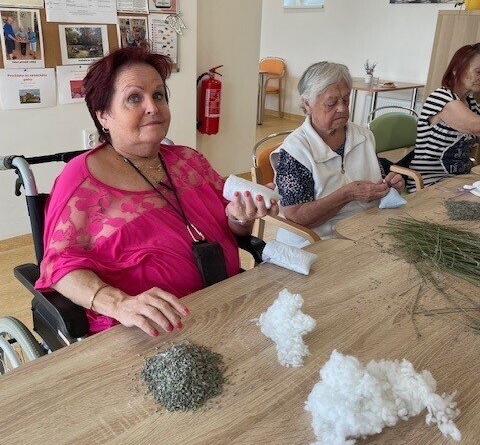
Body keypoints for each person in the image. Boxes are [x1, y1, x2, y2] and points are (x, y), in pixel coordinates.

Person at [35, 46, 278, 336]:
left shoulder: (189, 160)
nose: (152, 107)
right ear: (103, 116)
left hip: (223, 305)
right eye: (134, 97)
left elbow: (231, 228)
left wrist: (240, 218)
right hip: (146, 328)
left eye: (159, 95)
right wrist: (119, 304)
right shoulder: (82, 179)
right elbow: (58, 266)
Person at [272, 62, 404, 244]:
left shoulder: (364, 136)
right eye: (331, 103)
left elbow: (377, 182)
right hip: (316, 241)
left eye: (346, 100)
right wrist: (347, 194)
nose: (342, 108)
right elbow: (297, 217)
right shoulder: (295, 151)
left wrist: (388, 186)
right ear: (308, 104)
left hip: (365, 231)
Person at [407, 43, 480, 191]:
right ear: (456, 70)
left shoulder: (470, 102)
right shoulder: (441, 97)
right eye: (478, 71)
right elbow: (476, 127)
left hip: (459, 180)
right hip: (430, 181)